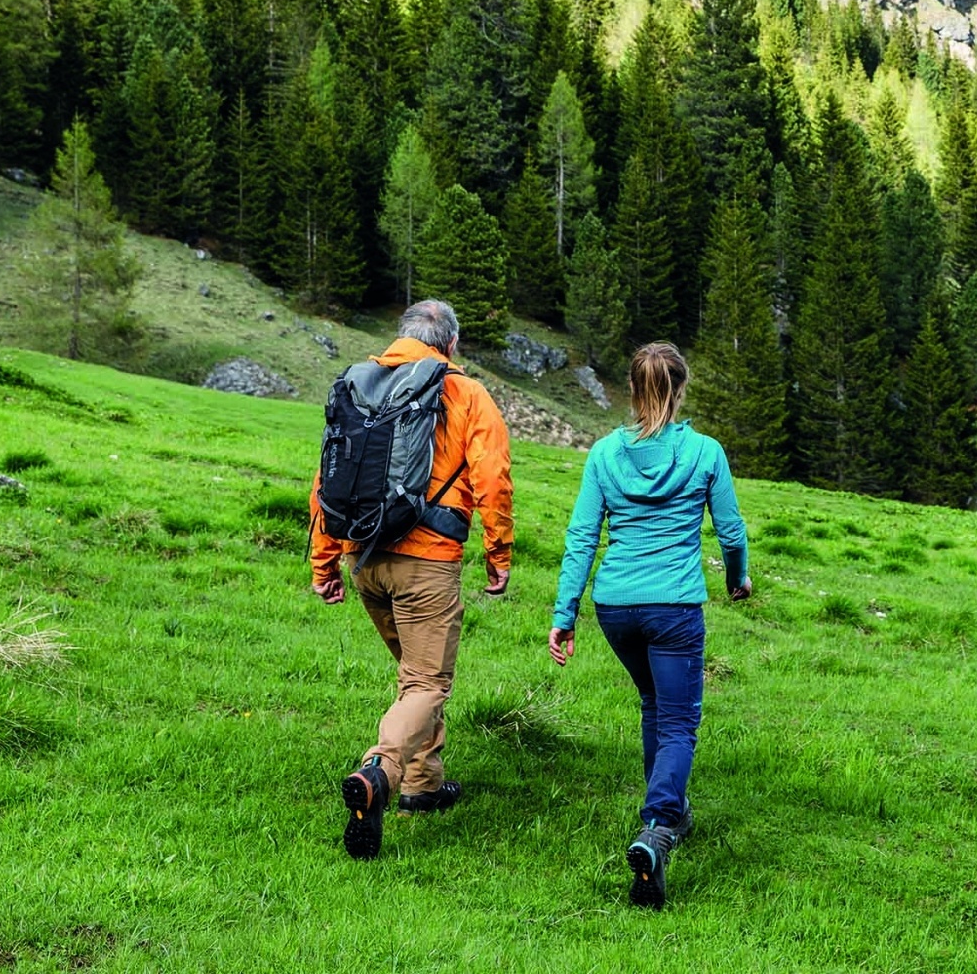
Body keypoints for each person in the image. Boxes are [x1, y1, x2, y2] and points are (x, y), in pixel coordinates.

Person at [549, 342, 752, 909]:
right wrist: (738, 580)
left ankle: (670, 814)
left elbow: (582, 539)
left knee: (654, 706)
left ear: (633, 391)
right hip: (675, 607)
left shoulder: (603, 455)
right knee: (681, 721)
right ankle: (659, 824)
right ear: (680, 388)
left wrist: (565, 615)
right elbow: (732, 533)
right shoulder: (707, 453)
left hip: (616, 608)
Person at [312, 299, 514, 860]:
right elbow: (492, 479)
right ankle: (379, 771)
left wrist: (324, 562)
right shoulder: (465, 393)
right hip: (428, 561)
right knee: (427, 684)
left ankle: (423, 787)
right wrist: (499, 553)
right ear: (450, 346)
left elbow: (325, 478)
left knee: (415, 675)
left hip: (366, 560)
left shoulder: (360, 387)